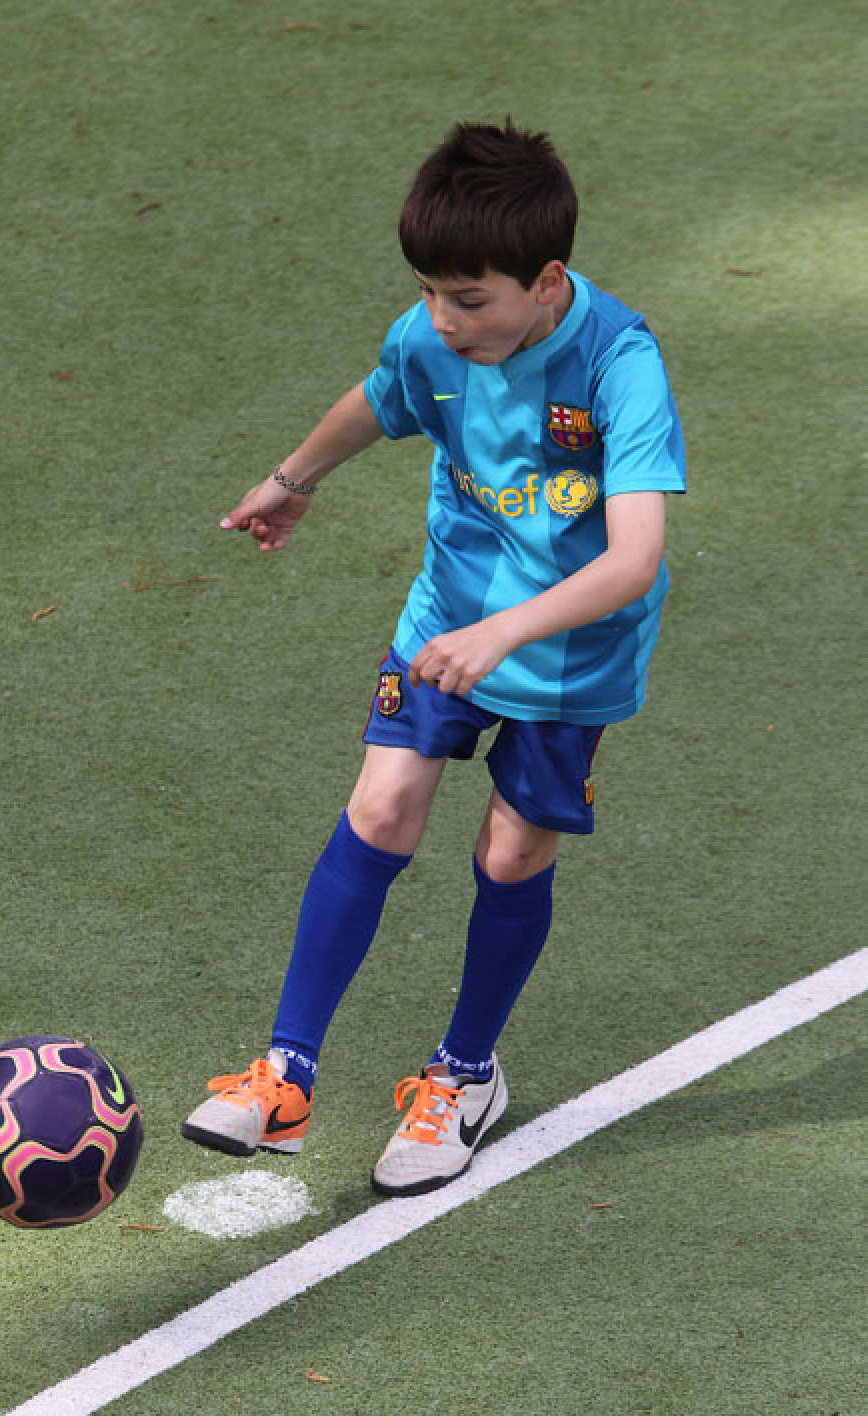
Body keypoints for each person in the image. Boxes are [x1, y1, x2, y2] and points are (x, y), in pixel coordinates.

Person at [182, 120, 687, 1196]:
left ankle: (463, 1077)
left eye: (469, 299)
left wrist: (505, 632)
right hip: (443, 620)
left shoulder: (620, 365)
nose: (444, 322)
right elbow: (380, 397)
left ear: (545, 282)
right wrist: (293, 479)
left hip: (568, 661)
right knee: (379, 811)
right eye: (428, 293)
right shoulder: (430, 339)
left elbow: (634, 558)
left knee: (510, 855)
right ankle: (285, 1074)